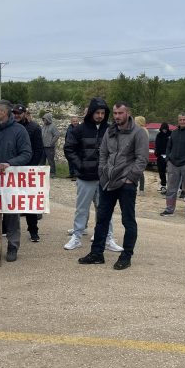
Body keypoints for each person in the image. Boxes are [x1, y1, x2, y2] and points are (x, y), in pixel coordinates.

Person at [78, 101, 148, 270]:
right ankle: (97, 254)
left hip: (126, 184)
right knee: (102, 219)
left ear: (128, 113)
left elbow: (142, 158)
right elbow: (103, 153)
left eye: (120, 113)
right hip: (107, 182)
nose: (117, 117)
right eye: (115, 113)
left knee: (128, 220)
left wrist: (130, 178)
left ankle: (126, 256)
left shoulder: (138, 133)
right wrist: (102, 173)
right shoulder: (110, 131)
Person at [62, 98, 122, 253]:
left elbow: (117, 151)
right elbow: (69, 149)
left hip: (104, 178)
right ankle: (76, 236)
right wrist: (80, 165)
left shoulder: (111, 130)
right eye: (97, 112)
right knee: (82, 209)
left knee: (105, 209)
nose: (100, 116)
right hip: (85, 177)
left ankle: (108, 238)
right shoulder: (78, 130)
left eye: (103, 113)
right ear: (91, 112)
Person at [0, 100, 32, 262]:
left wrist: (10, 163)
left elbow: (26, 154)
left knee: (12, 215)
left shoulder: (19, 131)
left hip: (11, 180)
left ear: (5, 112)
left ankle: (13, 246)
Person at [13, 104, 43, 243]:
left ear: (25, 113)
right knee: (10, 200)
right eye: (14, 113)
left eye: (19, 113)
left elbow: (38, 150)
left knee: (29, 202)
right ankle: (8, 229)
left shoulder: (34, 128)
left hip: (27, 169)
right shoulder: (10, 127)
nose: (17, 115)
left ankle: (33, 230)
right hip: (12, 169)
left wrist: (31, 168)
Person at [160, 112, 185, 220]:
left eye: (184, 119)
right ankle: (169, 209)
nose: (182, 121)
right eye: (180, 120)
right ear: (178, 121)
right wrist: (168, 159)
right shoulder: (174, 133)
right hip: (173, 163)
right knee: (171, 188)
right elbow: (169, 147)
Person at [133, 116, 149, 194]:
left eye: (135, 120)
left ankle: (141, 189)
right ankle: (140, 188)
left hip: (140, 153)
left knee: (140, 172)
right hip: (139, 152)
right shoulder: (141, 130)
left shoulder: (142, 130)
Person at [154, 122, 171, 194]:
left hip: (170, 156)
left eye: (166, 129)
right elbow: (157, 145)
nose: (164, 130)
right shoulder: (159, 135)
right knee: (161, 171)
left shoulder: (171, 134)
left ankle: (171, 187)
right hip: (161, 156)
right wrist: (157, 153)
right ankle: (163, 185)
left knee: (171, 172)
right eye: (163, 129)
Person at [64, 115, 80, 180]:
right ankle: (71, 173)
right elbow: (66, 136)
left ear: (78, 121)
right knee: (70, 161)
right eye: (74, 121)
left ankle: (77, 175)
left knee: (76, 161)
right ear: (71, 122)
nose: (75, 122)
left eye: (76, 121)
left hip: (77, 147)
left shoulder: (80, 128)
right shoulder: (69, 128)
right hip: (69, 147)